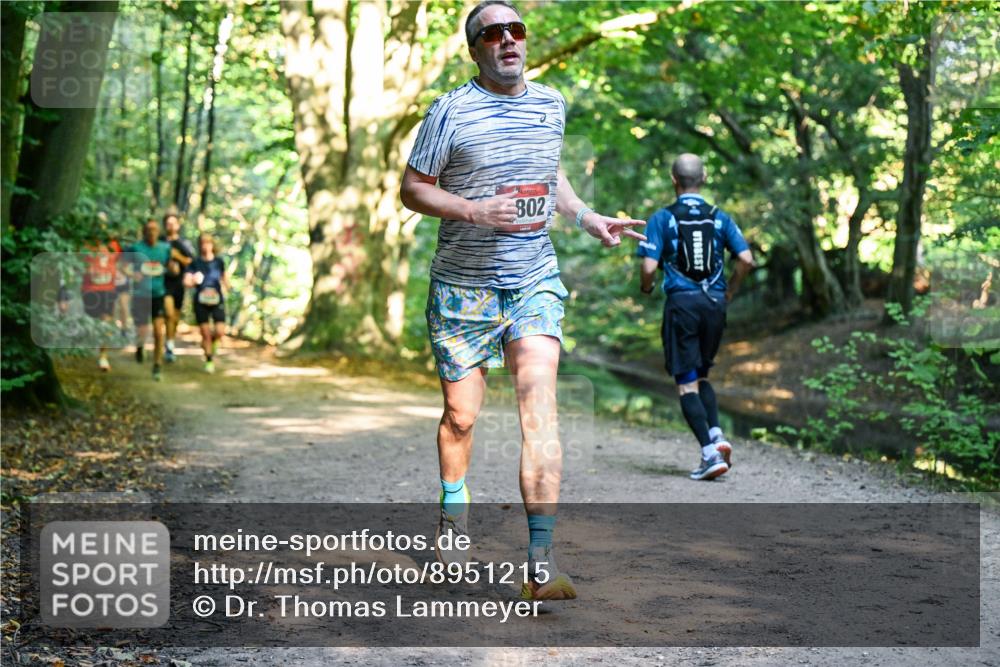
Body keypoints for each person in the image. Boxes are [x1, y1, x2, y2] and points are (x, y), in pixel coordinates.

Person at [400, 0, 645, 601]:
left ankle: (541, 561)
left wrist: (585, 216)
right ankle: (452, 518)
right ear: (475, 49)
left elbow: (550, 173)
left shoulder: (551, 104)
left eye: (516, 30)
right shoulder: (450, 112)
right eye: (493, 34)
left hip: (533, 280)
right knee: (462, 416)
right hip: (462, 289)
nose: (508, 40)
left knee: (541, 412)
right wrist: (472, 210)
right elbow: (413, 189)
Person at [637, 153, 754, 481]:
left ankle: (709, 454)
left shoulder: (662, 218)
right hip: (715, 305)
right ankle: (716, 434)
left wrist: (646, 287)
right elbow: (746, 259)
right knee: (702, 375)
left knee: (686, 384)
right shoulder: (720, 217)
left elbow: (648, 266)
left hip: (683, 306)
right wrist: (730, 291)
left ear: (673, 180)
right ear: (703, 178)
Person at [126, 219, 172, 382]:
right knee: (142, 330)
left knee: (159, 331)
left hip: (158, 294)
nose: (152, 232)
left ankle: (157, 365)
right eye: (149, 229)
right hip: (140, 295)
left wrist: (174, 268)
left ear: (159, 232)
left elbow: (171, 266)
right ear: (144, 232)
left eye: (155, 229)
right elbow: (122, 266)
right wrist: (132, 274)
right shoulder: (136, 248)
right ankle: (140, 346)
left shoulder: (165, 248)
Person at [183, 233, 229, 374]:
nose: (205, 245)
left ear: (212, 244)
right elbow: (186, 281)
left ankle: (212, 344)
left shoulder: (219, 262)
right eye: (202, 243)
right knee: (205, 333)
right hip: (200, 301)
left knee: (220, 331)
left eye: (208, 242)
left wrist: (228, 287)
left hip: (216, 299)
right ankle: (209, 360)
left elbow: (225, 279)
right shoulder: (195, 263)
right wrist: (193, 280)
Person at [80, 237, 122, 371]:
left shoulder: (114, 244)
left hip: (108, 290)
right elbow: (78, 264)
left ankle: (103, 356)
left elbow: (120, 262)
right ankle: (92, 344)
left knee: (105, 321)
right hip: (89, 290)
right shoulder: (86, 244)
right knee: (92, 321)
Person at [161, 212, 195, 363]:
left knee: (174, 317)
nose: (171, 226)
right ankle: (167, 344)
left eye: (173, 223)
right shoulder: (160, 241)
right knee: (168, 314)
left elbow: (190, 261)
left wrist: (177, 256)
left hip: (179, 284)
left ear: (178, 225)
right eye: (168, 223)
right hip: (163, 283)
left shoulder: (183, 243)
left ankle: (169, 344)